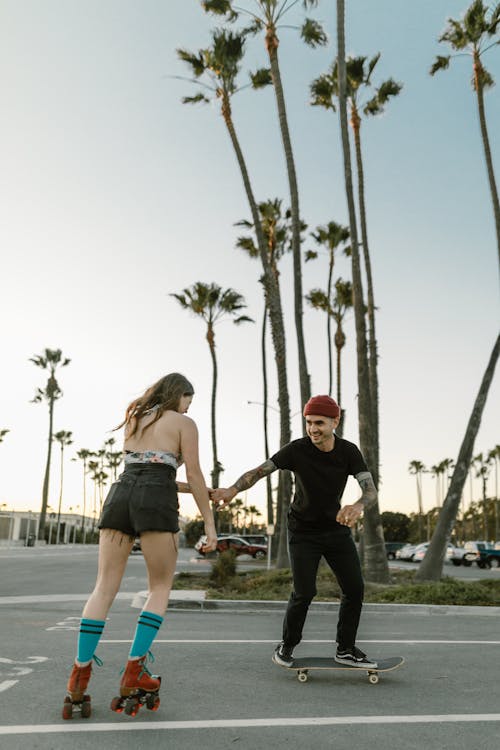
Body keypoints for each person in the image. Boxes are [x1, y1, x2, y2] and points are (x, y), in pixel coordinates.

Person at [62, 372, 217, 719]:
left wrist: (196, 491)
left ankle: (78, 676)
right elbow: (190, 472)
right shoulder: (183, 423)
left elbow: (148, 467)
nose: (189, 407)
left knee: (103, 588)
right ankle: (135, 671)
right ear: (180, 395)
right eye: (188, 401)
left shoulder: (135, 417)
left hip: (120, 495)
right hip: (155, 501)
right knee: (159, 586)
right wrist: (209, 523)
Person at [211, 394, 378, 669]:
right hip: (303, 532)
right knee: (304, 591)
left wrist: (359, 505)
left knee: (354, 589)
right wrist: (232, 490)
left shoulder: (348, 452)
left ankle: (345, 649)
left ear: (335, 421)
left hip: (336, 530)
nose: (313, 429)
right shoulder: (296, 450)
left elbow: (370, 490)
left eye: (320, 423)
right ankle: (286, 645)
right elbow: (259, 472)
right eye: (309, 422)